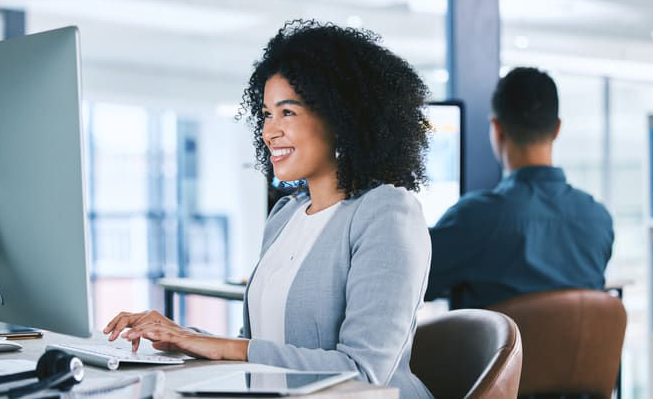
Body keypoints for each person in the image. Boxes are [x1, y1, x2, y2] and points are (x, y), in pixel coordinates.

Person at [102, 20, 434, 398]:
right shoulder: (286, 215)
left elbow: (362, 371)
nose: (268, 131)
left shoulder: (387, 213)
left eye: (287, 113)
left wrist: (219, 346)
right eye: (266, 114)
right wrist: (183, 337)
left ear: (342, 119)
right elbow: (260, 346)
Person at [425, 67, 614, 309]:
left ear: (496, 129)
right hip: (576, 348)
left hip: (493, 349)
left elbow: (412, 282)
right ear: (557, 129)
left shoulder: (475, 218)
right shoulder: (598, 219)